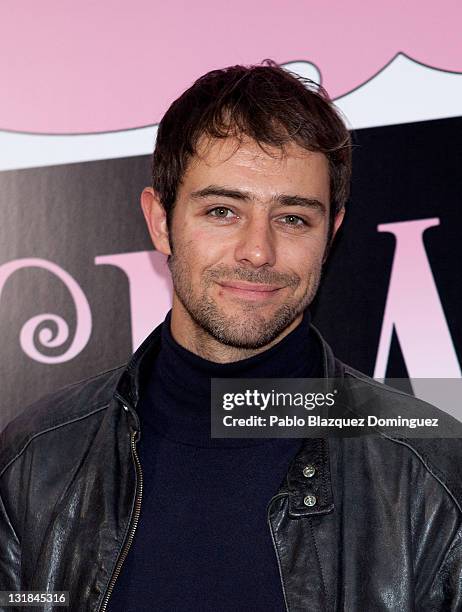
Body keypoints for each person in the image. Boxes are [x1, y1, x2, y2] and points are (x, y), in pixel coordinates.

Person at [1, 60, 461, 612]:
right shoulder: (37, 459)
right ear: (160, 221)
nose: (258, 251)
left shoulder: (432, 473)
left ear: (331, 233)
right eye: (223, 211)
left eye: (292, 218)